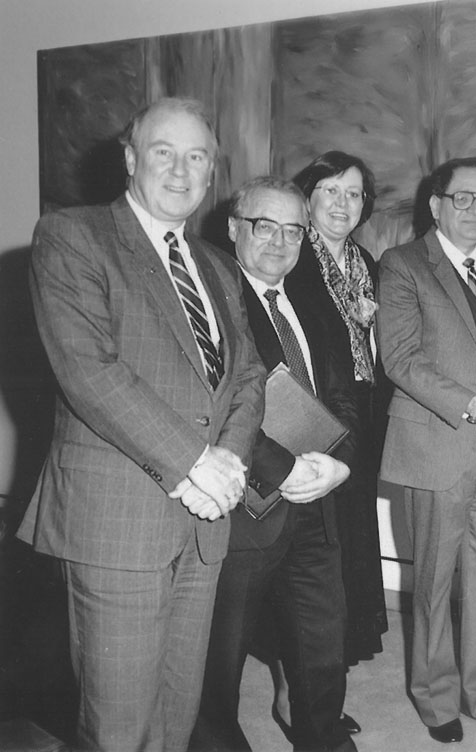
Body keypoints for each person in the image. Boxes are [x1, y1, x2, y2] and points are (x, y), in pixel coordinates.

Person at [16, 98, 266, 751]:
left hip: (206, 515)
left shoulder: (215, 264)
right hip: (117, 522)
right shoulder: (72, 235)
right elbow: (88, 371)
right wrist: (194, 462)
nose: (182, 170)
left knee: (177, 712)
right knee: (120, 725)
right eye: (164, 152)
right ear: (130, 159)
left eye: (198, 157)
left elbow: (247, 377)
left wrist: (228, 468)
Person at [193, 177, 356, 752]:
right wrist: (281, 468)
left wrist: (340, 465)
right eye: (266, 226)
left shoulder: (311, 303)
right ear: (235, 227)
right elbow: (214, 407)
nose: (280, 242)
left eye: (294, 230)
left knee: (321, 647)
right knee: (220, 660)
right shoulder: (210, 299)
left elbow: (343, 396)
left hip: (317, 506)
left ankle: (325, 742)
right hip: (246, 512)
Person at [377, 157, 476, 744]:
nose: (474, 210)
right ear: (435, 203)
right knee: (436, 582)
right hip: (440, 442)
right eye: (462, 199)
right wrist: (473, 403)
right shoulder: (403, 265)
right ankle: (435, 697)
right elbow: (401, 359)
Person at [283, 150, 390, 732]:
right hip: (316, 419)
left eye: (354, 193)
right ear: (308, 198)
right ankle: (298, 692)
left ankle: (322, 686)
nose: (344, 203)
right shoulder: (295, 257)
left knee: (347, 551)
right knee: (311, 559)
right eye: (331, 190)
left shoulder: (364, 261)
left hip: (364, 419)